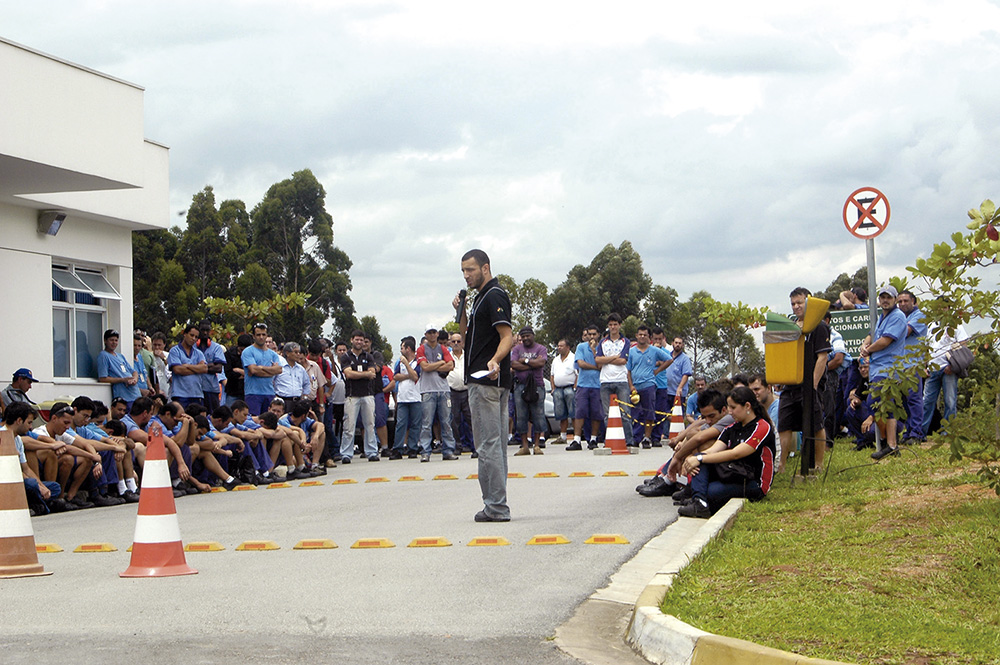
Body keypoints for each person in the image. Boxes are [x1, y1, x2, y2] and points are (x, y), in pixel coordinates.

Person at [456, 249, 514, 523]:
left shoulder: (494, 295)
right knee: (496, 445)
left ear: (485, 268)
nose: (467, 275)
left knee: (488, 446)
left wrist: (494, 360)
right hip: (487, 381)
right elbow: (466, 339)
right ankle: (496, 504)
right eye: (463, 271)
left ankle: (496, 507)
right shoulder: (480, 298)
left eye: (471, 269)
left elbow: (507, 336)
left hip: (486, 381)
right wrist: (461, 311)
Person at [678, 386, 777, 518]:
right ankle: (700, 502)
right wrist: (692, 459)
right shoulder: (731, 428)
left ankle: (698, 496)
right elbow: (712, 451)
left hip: (754, 482)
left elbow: (736, 453)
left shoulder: (762, 426)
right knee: (700, 458)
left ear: (747, 406)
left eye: (733, 407)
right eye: (729, 407)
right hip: (734, 473)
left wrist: (699, 459)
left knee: (710, 490)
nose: (730, 412)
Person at [777, 287, 830, 473]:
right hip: (790, 385)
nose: (796, 307)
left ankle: (819, 464)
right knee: (784, 424)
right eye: (793, 303)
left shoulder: (819, 326)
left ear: (808, 302)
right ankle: (781, 465)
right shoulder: (790, 325)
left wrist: (813, 385)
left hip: (810, 385)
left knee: (815, 424)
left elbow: (822, 357)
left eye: (799, 303)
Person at [860, 285, 908, 460]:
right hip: (878, 367)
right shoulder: (882, 317)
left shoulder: (897, 316)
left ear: (895, 299)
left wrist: (868, 350)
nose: (885, 300)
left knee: (876, 401)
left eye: (889, 297)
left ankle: (889, 442)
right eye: (882, 297)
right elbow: (873, 334)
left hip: (890, 367)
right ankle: (891, 445)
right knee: (885, 405)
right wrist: (865, 344)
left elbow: (886, 340)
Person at [416, 325, 458, 462]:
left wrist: (433, 365)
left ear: (437, 334)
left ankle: (448, 450)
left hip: (443, 390)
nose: (432, 335)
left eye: (434, 332)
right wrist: (440, 363)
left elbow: (450, 365)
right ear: (426, 334)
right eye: (430, 333)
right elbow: (424, 367)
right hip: (427, 390)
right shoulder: (421, 349)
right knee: (427, 423)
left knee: (446, 421)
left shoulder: (443, 348)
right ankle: (425, 451)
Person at [922, 319, 970, 436]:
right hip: (932, 368)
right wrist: (924, 366)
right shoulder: (931, 326)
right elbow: (925, 348)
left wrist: (953, 365)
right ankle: (920, 432)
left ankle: (947, 432)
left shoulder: (955, 325)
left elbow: (964, 346)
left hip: (948, 368)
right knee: (927, 401)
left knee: (950, 401)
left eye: (945, 306)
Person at [626, 325, 670, 448]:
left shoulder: (654, 350)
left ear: (649, 337)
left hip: (649, 385)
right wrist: (631, 386)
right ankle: (636, 438)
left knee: (649, 413)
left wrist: (657, 371)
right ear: (636, 336)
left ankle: (647, 438)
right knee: (636, 413)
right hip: (636, 387)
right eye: (640, 334)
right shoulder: (631, 352)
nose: (642, 337)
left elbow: (669, 359)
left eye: (645, 335)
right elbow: (628, 370)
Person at [339, 329, 379, 463]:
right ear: (352, 340)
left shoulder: (368, 357)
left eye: (361, 340)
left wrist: (361, 374)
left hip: (367, 395)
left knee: (370, 424)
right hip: (352, 396)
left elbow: (373, 373)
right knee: (349, 426)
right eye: (357, 339)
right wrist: (365, 374)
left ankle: (372, 452)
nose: (359, 342)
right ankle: (346, 453)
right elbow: (348, 374)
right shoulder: (345, 357)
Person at [596, 313, 634, 448]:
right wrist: (613, 357)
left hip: (621, 380)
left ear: (619, 325)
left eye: (615, 324)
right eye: (610, 325)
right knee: (607, 414)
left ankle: (629, 441)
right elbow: (598, 360)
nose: (613, 327)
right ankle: (610, 441)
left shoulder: (626, 342)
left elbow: (623, 360)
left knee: (625, 412)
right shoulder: (603, 342)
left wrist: (606, 359)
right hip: (605, 380)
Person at [510, 326, 548, 456]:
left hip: (537, 385)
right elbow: (513, 364)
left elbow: (541, 363)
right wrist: (532, 364)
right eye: (523, 336)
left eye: (528, 335)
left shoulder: (541, 348)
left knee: (538, 414)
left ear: (533, 335)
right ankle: (524, 446)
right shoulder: (517, 349)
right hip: (520, 386)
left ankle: (537, 445)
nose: (526, 338)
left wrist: (525, 361)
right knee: (521, 416)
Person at [896, 290, 927, 444]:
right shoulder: (899, 317)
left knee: (914, 399)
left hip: (913, 365)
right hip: (900, 366)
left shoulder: (919, 315)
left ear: (913, 302)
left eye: (906, 301)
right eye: (900, 301)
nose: (902, 304)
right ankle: (909, 432)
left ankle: (917, 433)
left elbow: (904, 332)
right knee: (905, 401)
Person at [571, 325, 603, 450]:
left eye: (594, 334)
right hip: (583, 384)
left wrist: (594, 350)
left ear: (598, 335)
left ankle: (594, 439)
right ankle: (577, 439)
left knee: (596, 412)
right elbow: (581, 363)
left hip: (597, 384)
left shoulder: (601, 347)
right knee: (580, 412)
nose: (591, 337)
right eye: (589, 334)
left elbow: (601, 364)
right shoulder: (581, 347)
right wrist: (595, 367)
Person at [242, 323, 283, 416]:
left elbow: (279, 370)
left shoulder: (273, 354)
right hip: (253, 393)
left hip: (269, 393)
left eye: (263, 334)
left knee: (269, 422)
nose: (261, 337)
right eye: (258, 335)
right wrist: (271, 370)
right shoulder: (248, 351)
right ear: (254, 336)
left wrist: (261, 368)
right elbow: (253, 370)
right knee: (254, 422)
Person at [447, 332, 476, 456]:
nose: (456, 344)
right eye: (453, 341)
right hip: (452, 392)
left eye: (458, 341)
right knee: (454, 421)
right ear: (450, 343)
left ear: (463, 343)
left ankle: (475, 447)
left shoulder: (468, 356)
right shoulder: (447, 356)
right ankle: (457, 446)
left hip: (467, 391)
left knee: (471, 420)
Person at [97, 329, 141, 408]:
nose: (114, 343)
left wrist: (134, 379)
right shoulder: (103, 356)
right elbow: (102, 378)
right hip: (124, 398)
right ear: (105, 341)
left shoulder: (120, 356)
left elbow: (134, 371)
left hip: (136, 395)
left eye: (116, 340)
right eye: (111, 340)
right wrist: (123, 380)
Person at [549, 338, 577, 446]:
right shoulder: (555, 360)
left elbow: (577, 374)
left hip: (570, 388)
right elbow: (552, 375)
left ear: (568, 347)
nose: (559, 348)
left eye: (561, 346)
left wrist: (574, 388)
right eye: (558, 346)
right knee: (561, 414)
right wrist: (553, 388)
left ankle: (576, 435)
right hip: (558, 389)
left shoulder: (573, 358)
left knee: (573, 413)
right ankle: (563, 436)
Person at [196, 320, 227, 410]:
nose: (205, 333)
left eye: (207, 330)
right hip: (195, 390)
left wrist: (199, 367)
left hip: (211, 389)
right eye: (202, 330)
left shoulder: (216, 347)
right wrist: (210, 365)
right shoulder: (192, 347)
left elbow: (218, 368)